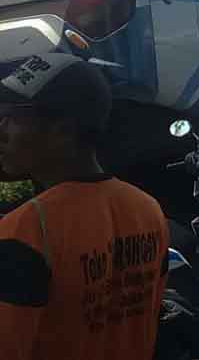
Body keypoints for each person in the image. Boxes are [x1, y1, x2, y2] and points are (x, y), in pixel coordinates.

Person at [0, 53, 169, 360]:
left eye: (13, 118)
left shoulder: (25, 231)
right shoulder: (148, 211)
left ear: (63, 131)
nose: (2, 130)